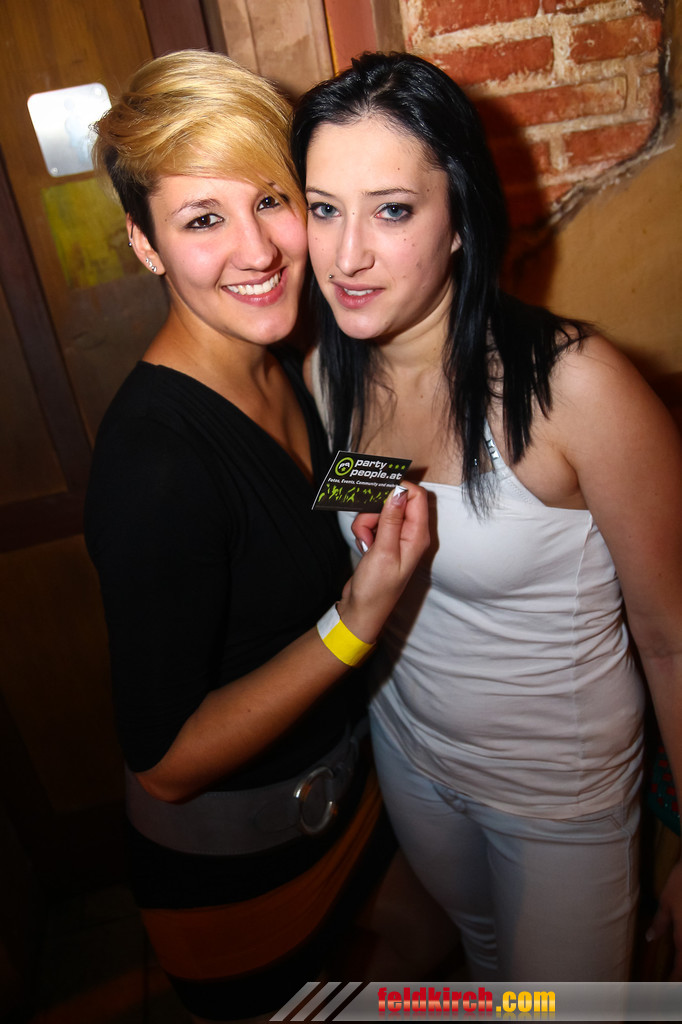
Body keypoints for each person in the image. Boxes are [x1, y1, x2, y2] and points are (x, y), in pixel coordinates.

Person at [291, 51, 682, 981]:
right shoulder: (325, 371)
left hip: (561, 798)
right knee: (485, 960)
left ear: (461, 218)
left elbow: (672, 634)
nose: (346, 256)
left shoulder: (578, 390)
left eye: (392, 210)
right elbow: (362, 530)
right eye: (323, 208)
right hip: (413, 757)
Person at [84, 50, 429, 1023]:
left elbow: (293, 502)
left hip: (349, 800)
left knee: (441, 962)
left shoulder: (280, 356)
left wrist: (399, 455)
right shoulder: (154, 464)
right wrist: (355, 619)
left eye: (270, 200)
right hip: (240, 871)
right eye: (202, 219)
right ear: (146, 244)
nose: (259, 252)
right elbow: (165, 762)